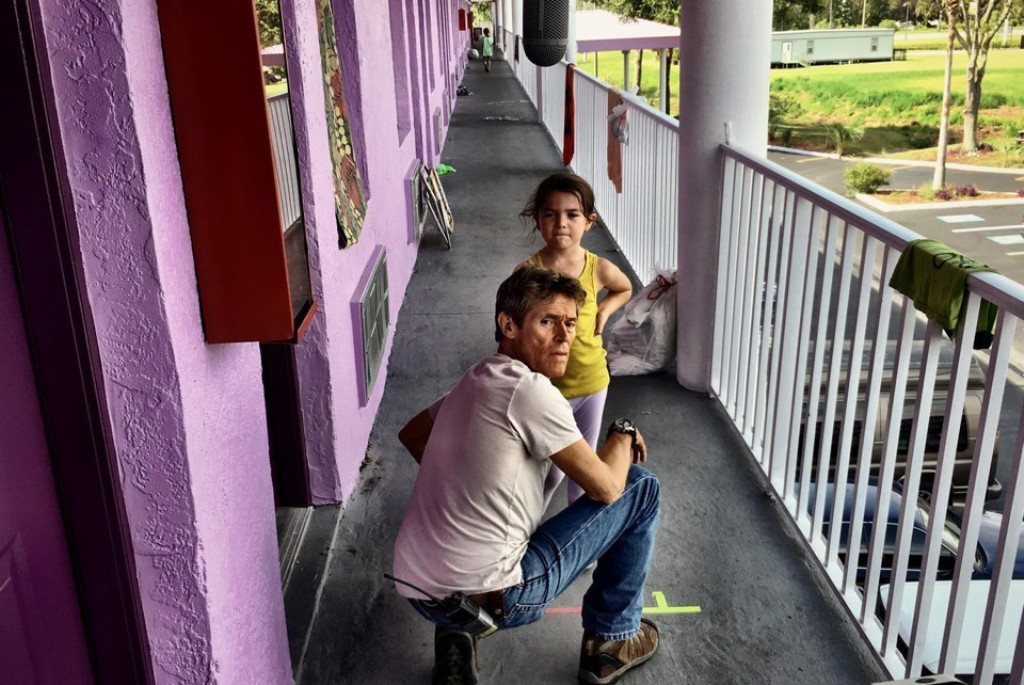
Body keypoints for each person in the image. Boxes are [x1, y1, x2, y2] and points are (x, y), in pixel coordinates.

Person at [392, 266, 661, 685]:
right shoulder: (531, 391)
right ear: (509, 325)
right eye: (548, 321)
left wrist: (464, 489)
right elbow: (609, 487)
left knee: (469, 548)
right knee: (640, 487)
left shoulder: (475, 377)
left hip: (418, 588)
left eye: (570, 323)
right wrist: (623, 431)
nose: (564, 335)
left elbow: (412, 435)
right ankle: (612, 640)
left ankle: (455, 635)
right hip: (504, 597)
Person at [518, 173, 632, 510]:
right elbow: (512, 326)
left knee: (584, 474)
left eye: (572, 215)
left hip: (594, 383)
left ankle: (575, 542)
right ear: (537, 218)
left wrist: (604, 310)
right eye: (550, 214)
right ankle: (523, 541)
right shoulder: (528, 272)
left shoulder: (597, 267)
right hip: (549, 392)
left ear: (589, 221)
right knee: (546, 475)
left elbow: (624, 288)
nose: (561, 224)